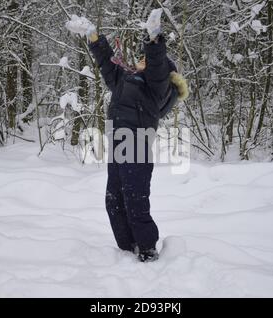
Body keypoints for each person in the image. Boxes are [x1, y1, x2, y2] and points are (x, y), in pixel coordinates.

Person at [66, 13, 188, 262]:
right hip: (119, 145)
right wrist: (93, 35)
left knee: (135, 200)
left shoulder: (155, 87)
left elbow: (156, 64)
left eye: (146, 59)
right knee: (114, 201)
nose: (141, 60)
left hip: (137, 144)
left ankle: (147, 249)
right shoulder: (126, 79)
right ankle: (126, 249)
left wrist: (154, 38)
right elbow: (106, 64)